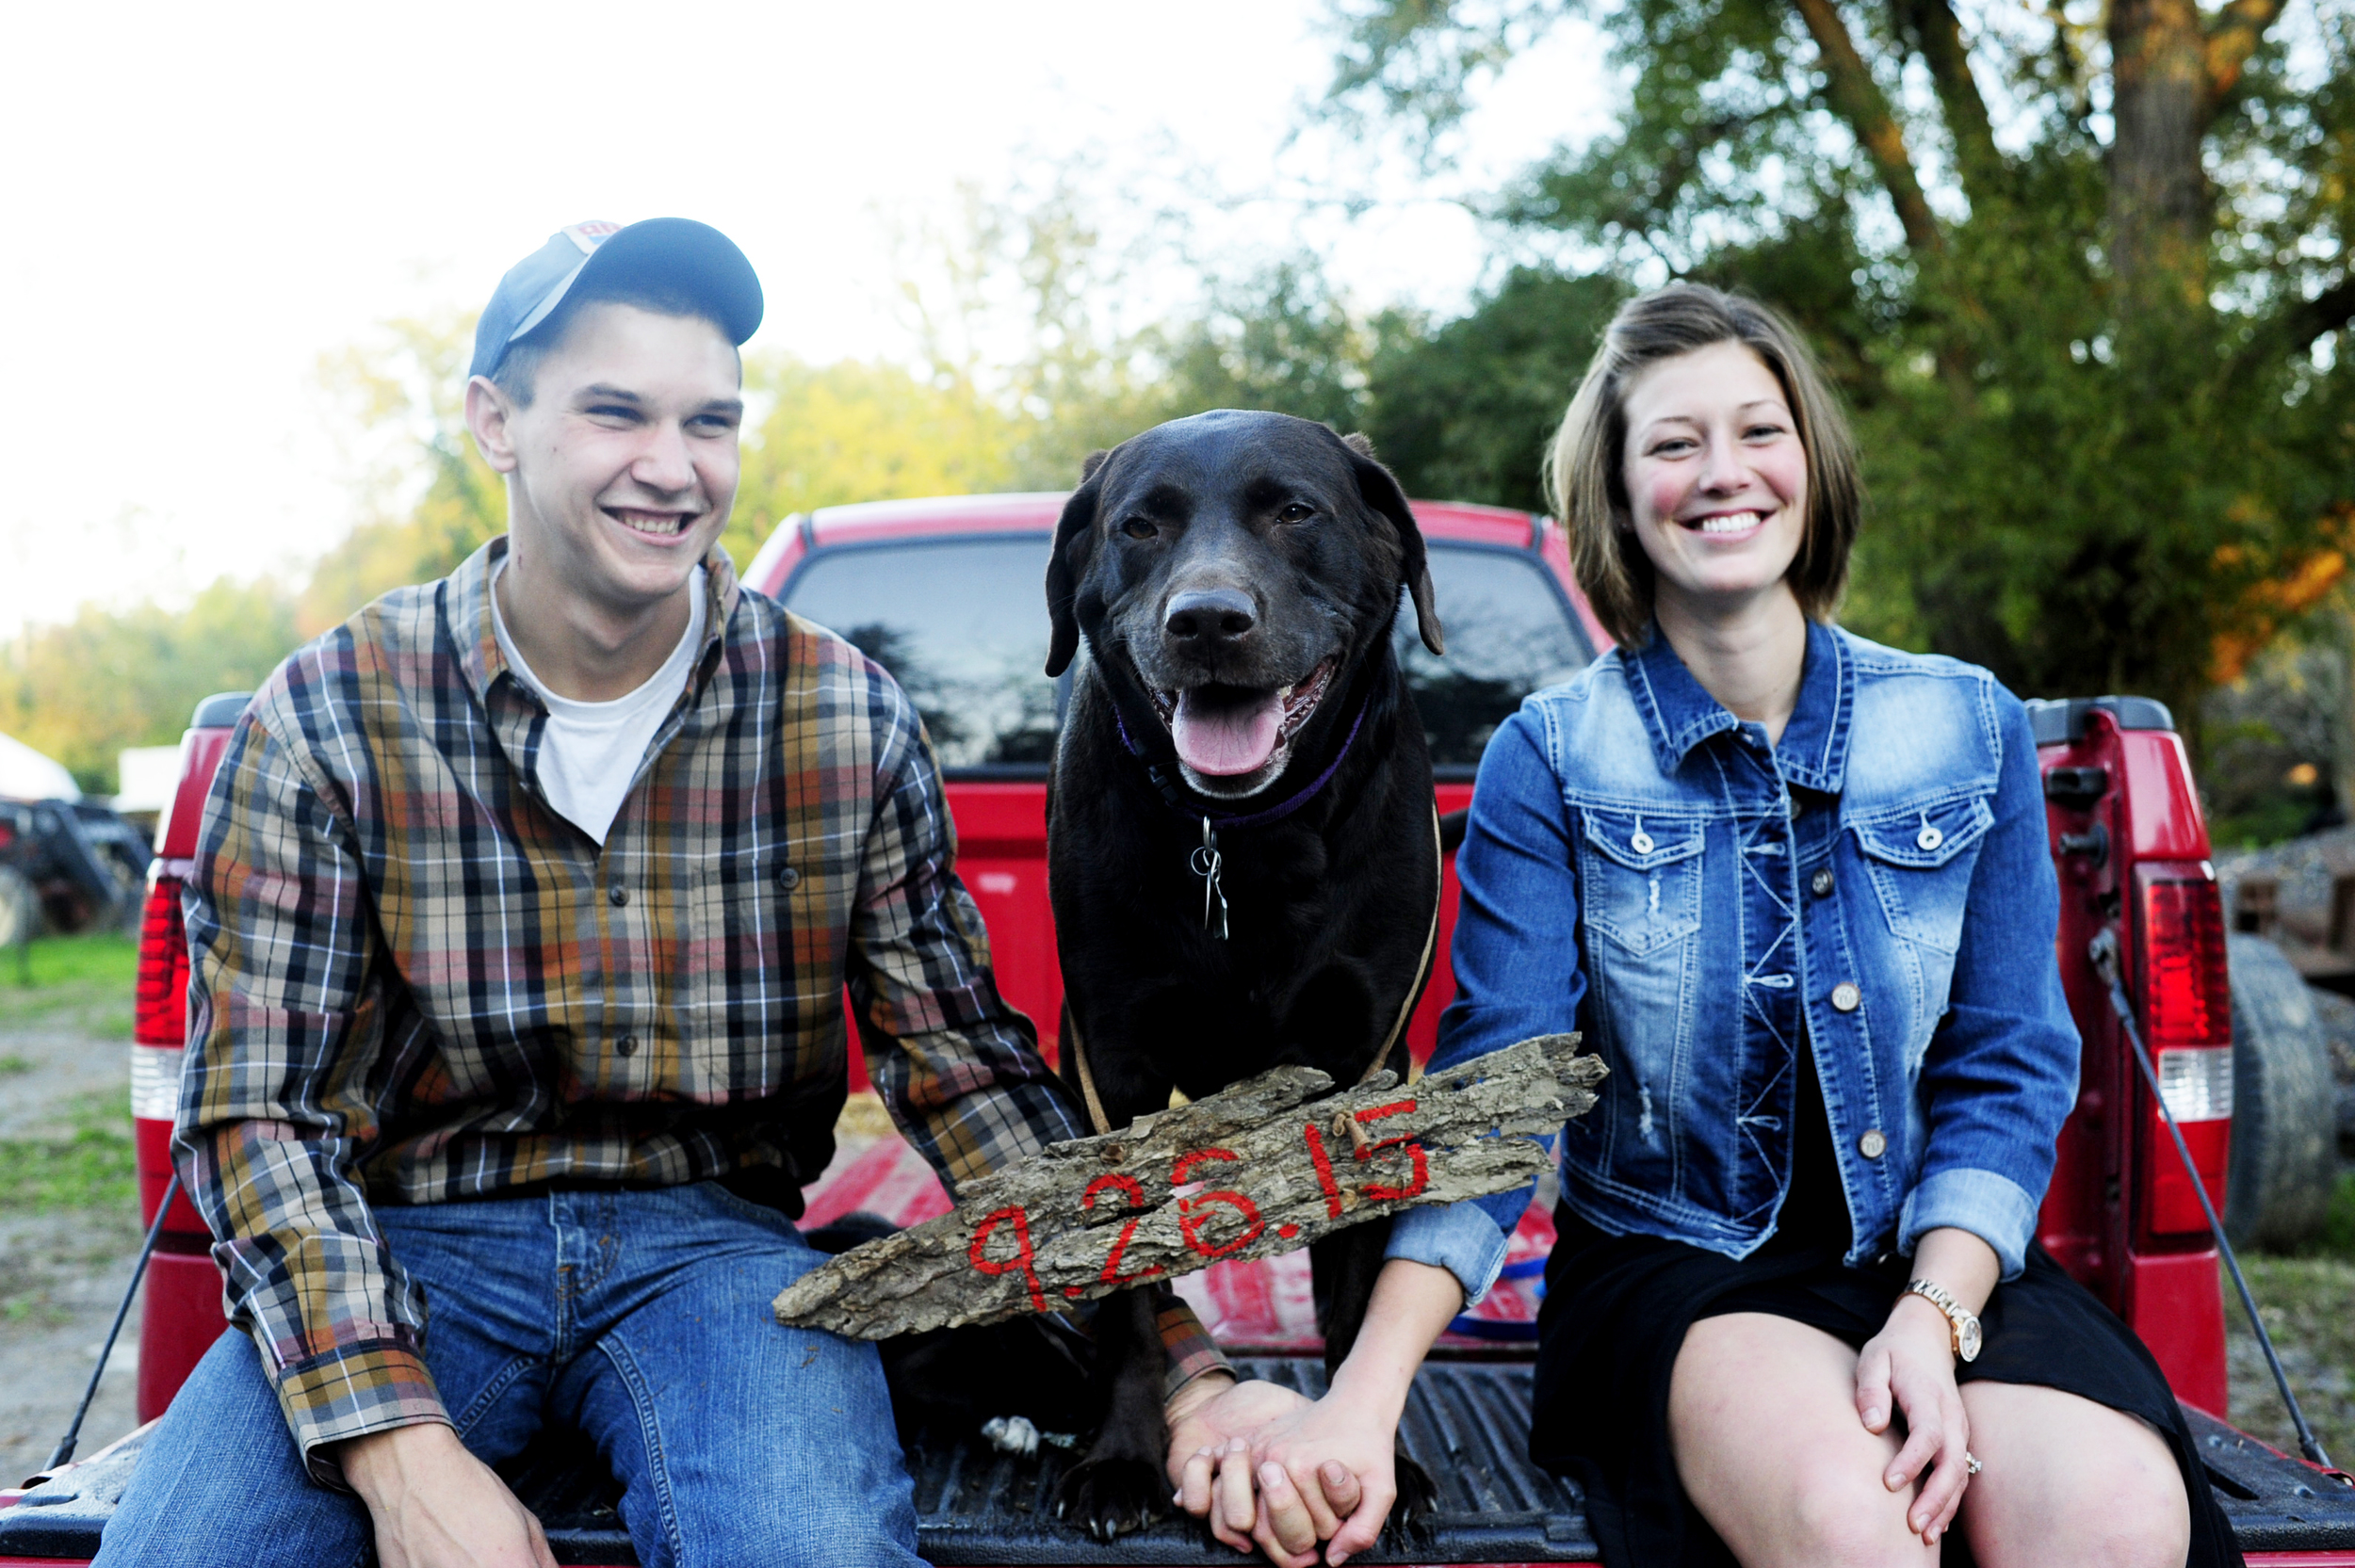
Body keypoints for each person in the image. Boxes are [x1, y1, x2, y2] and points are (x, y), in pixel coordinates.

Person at [93, 218, 1298, 1568]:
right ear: (495, 419)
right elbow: (259, 1114)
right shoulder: (326, 715)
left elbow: (967, 1078)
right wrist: (402, 1453)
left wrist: (1178, 1360)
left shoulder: (841, 714)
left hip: (721, 1259)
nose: (672, 468)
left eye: (708, 421)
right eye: (618, 413)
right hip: (408, 1250)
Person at [1205, 283, 2244, 1568]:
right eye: (1674, 443)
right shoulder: (1557, 752)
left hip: (1945, 1257)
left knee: (2111, 1516)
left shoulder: (1967, 726)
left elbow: (2010, 1063)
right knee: (1857, 1526)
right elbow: (1496, 1095)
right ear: (1621, 489)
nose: (1723, 473)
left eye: (1759, 431)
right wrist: (1363, 1397)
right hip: (1680, 1269)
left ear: (1811, 459)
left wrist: (1930, 1313)